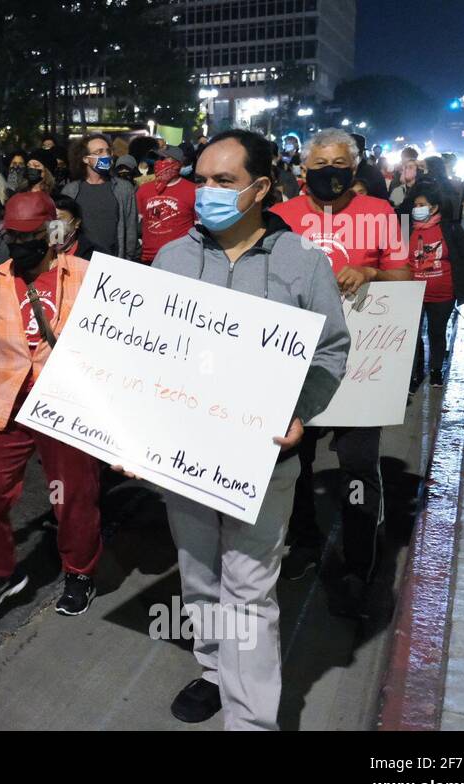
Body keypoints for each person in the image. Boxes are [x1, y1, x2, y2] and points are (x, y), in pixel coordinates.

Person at [135, 129, 349, 730]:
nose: (206, 192)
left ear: (260, 187)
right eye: (200, 180)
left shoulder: (302, 263)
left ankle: (251, 719)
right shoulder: (173, 258)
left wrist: (300, 412)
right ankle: (212, 669)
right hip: (184, 457)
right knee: (199, 573)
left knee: (249, 589)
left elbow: (331, 351)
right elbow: (144, 356)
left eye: (223, 182)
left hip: (263, 460)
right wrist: (126, 432)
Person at [271, 128, 411, 617]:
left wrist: (370, 272)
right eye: (319, 162)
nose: (328, 170)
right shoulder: (283, 217)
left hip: (363, 368)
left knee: (356, 465)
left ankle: (359, 561)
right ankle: (305, 542)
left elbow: (404, 277)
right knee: (297, 461)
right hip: (300, 368)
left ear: (353, 168)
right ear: (303, 168)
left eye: (338, 162)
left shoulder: (377, 214)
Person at [0, 192, 104, 619]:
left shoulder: (85, 276)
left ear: (50, 233)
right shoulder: (1, 276)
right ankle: (0, 571)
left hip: (63, 404)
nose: (18, 245)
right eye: (11, 236)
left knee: (73, 494)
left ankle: (79, 571)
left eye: (28, 236)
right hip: (7, 401)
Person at [406, 181, 464, 392]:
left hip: (443, 294)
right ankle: (414, 373)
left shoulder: (449, 228)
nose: (417, 209)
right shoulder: (406, 229)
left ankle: (436, 370)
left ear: (434, 207)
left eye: (421, 205)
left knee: (437, 332)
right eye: (415, 205)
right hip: (412, 294)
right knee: (412, 335)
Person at [60, 132, 140, 260]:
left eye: (108, 151)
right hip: (79, 264)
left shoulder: (124, 189)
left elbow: (131, 232)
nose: (106, 155)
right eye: (99, 152)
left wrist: (130, 261)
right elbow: (63, 229)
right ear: (85, 158)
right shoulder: (70, 191)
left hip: (113, 263)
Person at [135, 150, 196, 265]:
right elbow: (137, 224)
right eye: (159, 159)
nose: (159, 162)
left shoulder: (193, 190)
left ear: (177, 164)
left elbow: (198, 228)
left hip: (179, 259)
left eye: (164, 159)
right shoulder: (143, 189)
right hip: (148, 259)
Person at [52, 195, 99, 260]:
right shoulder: (38, 251)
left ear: (76, 222)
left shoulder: (95, 256)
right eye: (49, 219)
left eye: (59, 219)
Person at [350, 133, 388, 200]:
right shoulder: (339, 171)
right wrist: (329, 210)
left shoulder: (373, 173)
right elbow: (329, 201)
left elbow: (383, 201)